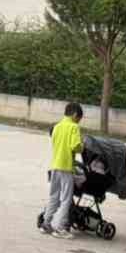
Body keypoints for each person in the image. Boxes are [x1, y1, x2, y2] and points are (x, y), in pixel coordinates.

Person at [41, 102, 84, 239]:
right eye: (79, 118)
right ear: (75, 114)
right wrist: (82, 147)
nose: (78, 121)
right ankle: (60, 228)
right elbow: (76, 146)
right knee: (66, 199)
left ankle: (46, 224)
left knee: (54, 196)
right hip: (66, 167)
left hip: (55, 166)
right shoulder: (74, 127)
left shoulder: (57, 127)